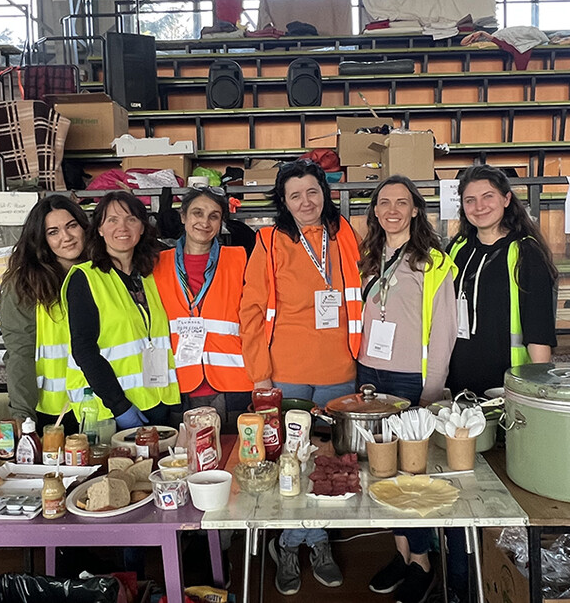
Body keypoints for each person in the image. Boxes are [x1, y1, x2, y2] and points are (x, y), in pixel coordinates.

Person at [240, 159, 362, 595]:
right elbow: (251, 310)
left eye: (312, 191)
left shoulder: (344, 233)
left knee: (327, 461)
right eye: (295, 195)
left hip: (339, 370)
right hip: (286, 374)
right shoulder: (269, 241)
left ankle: (306, 540)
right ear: (284, 202)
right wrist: (259, 374)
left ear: (324, 193)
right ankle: (297, 542)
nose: (306, 201)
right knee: (290, 460)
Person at [444, 164, 558, 602]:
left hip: (507, 385)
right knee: (463, 488)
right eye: (470, 200)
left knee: (506, 492)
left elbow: (538, 326)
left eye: (487, 197)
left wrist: (535, 390)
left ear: (507, 199)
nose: (479, 206)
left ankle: (502, 581)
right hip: (461, 383)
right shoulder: (458, 248)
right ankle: (461, 579)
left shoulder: (525, 251)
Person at [358, 176, 458, 603]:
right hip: (366, 373)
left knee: (411, 473)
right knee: (381, 469)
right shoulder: (367, 254)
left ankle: (422, 561)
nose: (392, 209)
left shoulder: (434, 262)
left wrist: (431, 389)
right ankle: (401, 553)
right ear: (375, 211)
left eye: (402, 202)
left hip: (408, 380)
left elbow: (445, 332)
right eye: (384, 202)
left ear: (416, 209)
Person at [63, 191, 180, 429]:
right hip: (110, 411)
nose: (122, 227)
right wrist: (119, 406)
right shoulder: (85, 278)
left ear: (142, 228)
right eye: (112, 220)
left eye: (131, 219)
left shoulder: (149, 276)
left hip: (156, 401)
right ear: (99, 229)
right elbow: (84, 350)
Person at [153, 187, 252, 429]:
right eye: (197, 213)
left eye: (214, 216)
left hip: (234, 384)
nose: (204, 222)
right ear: (183, 217)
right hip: (178, 385)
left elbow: (255, 322)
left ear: (221, 223)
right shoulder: (156, 264)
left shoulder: (241, 259)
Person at [0, 195, 92, 434]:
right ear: (41, 240)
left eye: (71, 226)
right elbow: (20, 351)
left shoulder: (104, 272)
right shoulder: (24, 284)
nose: (66, 237)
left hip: (105, 405)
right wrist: (21, 414)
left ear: (84, 227)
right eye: (53, 232)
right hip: (55, 414)